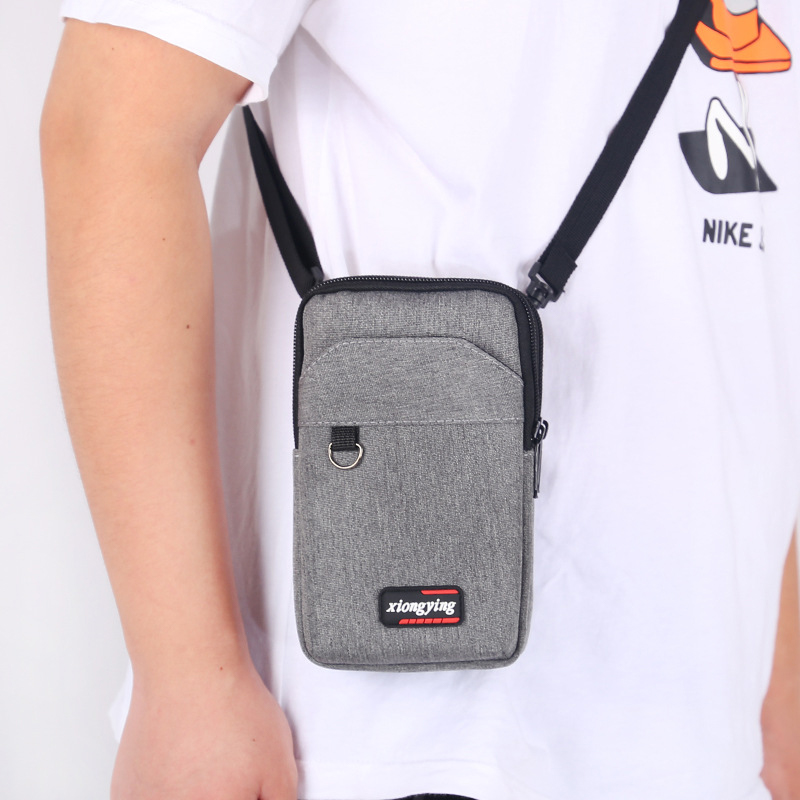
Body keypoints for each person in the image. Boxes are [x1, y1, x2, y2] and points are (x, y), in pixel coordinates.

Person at [40, 2, 800, 799]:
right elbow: (112, 131)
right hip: (377, 742)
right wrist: (187, 681)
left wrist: (777, 689)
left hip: (699, 723)